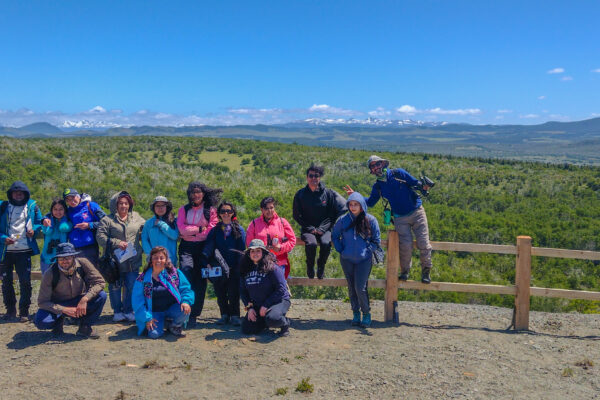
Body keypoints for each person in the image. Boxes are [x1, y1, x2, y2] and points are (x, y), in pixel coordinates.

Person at [344, 155, 433, 284]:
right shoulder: (378, 187)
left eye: (377, 164)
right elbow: (370, 202)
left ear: (383, 164)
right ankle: (405, 272)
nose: (375, 168)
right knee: (405, 246)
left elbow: (415, 183)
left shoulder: (399, 173)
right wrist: (355, 195)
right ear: (371, 170)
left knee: (423, 243)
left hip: (417, 212)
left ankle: (426, 271)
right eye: (372, 166)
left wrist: (424, 187)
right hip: (399, 218)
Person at [34, 243, 107, 338]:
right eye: (61, 258)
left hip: (79, 300)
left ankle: (85, 326)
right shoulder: (50, 273)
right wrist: (63, 310)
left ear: (73, 256)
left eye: (67, 257)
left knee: (102, 296)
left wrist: (85, 298)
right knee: (42, 322)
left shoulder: (83, 263)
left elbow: (100, 282)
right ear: (57, 259)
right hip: (58, 303)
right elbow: (42, 302)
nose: (64, 261)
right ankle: (58, 322)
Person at [332, 192, 381, 328]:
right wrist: (341, 250)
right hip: (347, 259)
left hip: (364, 260)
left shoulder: (370, 220)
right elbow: (335, 236)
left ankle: (366, 313)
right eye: (351, 204)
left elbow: (376, 240)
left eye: (356, 204)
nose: (353, 207)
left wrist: (367, 251)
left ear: (361, 205)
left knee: (360, 287)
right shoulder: (342, 220)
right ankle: (355, 313)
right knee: (352, 287)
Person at [96, 191, 145, 322]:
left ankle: (128, 310)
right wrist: (117, 243)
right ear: (115, 205)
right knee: (115, 287)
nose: (124, 206)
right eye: (120, 203)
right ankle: (117, 311)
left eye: (126, 203)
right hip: (114, 263)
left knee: (131, 285)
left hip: (133, 260)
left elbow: (146, 226)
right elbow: (100, 237)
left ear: (130, 204)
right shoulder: (107, 220)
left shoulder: (136, 217)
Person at [176, 181, 221, 325]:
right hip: (186, 248)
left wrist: (192, 230)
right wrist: (200, 229)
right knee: (186, 274)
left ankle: (194, 314)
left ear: (203, 193)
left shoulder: (211, 210)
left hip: (203, 248)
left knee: (200, 281)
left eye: (198, 192)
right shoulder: (184, 209)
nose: (195, 195)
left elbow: (212, 230)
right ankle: (184, 310)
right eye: (192, 192)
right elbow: (181, 229)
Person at [293, 164, 346, 279]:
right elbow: (297, 216)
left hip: (325, 228)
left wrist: (323, 228)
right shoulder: (300, 195)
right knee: (311, 244)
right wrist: (310, 228)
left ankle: (321, 266)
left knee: (326, 243)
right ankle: (310, 266)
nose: (313, 179)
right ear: (307, 177)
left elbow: (333, 213)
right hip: (308, 229)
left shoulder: (328, 193)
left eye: (316, 176)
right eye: (311, 176)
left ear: (320, 177)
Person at [0, 181, 43, 322]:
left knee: (25, 281)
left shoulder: (32, 206)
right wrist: (3, 238)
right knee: (6, 281)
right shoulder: (3, 206)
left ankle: (24, 311)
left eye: (21, 192)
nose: (18, 195)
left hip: (24, 251)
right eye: (15, 192)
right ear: (11, 194)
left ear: (26, 194)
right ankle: (10, 310)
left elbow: (40, 222)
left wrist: (34, 230)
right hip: (6, 251)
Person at [132, 246, 194, 339]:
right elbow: (137, 301)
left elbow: (186, 289)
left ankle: (174, 325)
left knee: (185, 310)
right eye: (155, 257)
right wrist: (147, 318)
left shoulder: (174, 273)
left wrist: (186, 301)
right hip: (154, 312)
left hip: (171, 308)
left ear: (166, 260)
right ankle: (163, 323)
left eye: (161, 258)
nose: (158, 260)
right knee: (154, 335)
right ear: (151, 260)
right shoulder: (142, 279)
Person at [202, 201, 246, 326]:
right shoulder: (215, 230)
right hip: (217, 267)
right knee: (220, 292)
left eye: (229, 211)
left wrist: (239, 267)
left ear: (233, 213)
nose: (226, 213)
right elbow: (208, 247)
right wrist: (207, 263)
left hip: (234, 267)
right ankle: (224, 315)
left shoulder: (239, 230)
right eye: (223, 211)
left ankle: (235, 316)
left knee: (234, 292)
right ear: (219, 214)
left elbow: (242, 250)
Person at [240, 239, 291, 337]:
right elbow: (243, 291)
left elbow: (281, 289)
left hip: (278, 301)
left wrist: (266, 305)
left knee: (273, 319)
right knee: (247, 329)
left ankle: (285, 324)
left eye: (258, 251)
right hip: (259, 304)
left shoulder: (272, 267)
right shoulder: (245, 269)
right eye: (252, 251)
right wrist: (249, 308)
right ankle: (265, 321)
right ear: (249, 253)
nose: (255, 253)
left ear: (263, 252)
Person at [246, 197, 296, 279]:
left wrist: (281, 248)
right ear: (261, 209)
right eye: (266, 208)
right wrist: (262, 248)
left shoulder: (282, 222)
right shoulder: (254, 224)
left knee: (279, 289)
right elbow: (249, 243)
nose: (269, 211)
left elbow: (292, 240)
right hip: (260, 263)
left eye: (271, 208)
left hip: (279, 263)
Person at [58, 188, 107, 266]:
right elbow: (53, 214)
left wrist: (89, 225)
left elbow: (106, 222)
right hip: (74, 249)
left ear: (78, 196)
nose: (72, 201)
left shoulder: (91, 206)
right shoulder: (68, 211)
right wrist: (44, 219)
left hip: (90, 247)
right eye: (68, 200)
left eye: (73, 197)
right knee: (78, 275)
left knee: (92, 274)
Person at [141, 196, 179, 267]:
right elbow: (144, 239)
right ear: (154, 208)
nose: (160, 208)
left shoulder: (173, 221)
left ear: (167, 207)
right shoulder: (149, 223)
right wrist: (151, 255)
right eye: (157, 206)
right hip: (154, 261)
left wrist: (161, 224)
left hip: (170, 261)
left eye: (163, 206)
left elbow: (175, 236)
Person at [40, 198, 72, 274]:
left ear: (65, 210)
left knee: (62, 283)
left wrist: (64, 218)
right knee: (47, 282)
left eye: (61, 209)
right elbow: (47, 232)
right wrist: (48, 220)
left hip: (63, 259)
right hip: (46, 257)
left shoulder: (69, 222)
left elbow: (63, 228)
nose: (58, 212)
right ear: (51, 210)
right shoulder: (47, 221)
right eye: (55, 209)